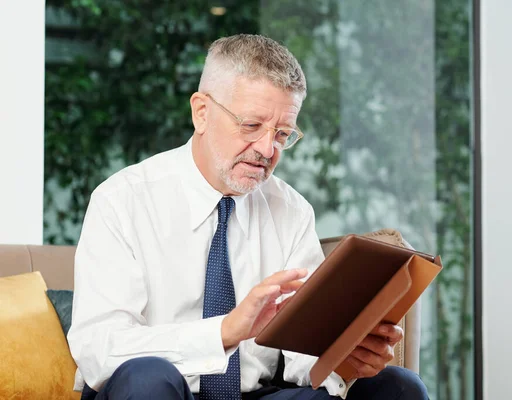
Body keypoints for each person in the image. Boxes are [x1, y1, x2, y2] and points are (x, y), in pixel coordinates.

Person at [67, 34, 429, 400]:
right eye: (252, 126)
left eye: (283, 134)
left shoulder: (291, 210)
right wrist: (225, 331)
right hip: (160, 392)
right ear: (202, 112)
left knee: (399, 387)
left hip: (255, 394)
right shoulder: (123, 200)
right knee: (148, 379)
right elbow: (99, 351)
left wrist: (342, 358)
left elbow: (302, 355)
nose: (267, 149)